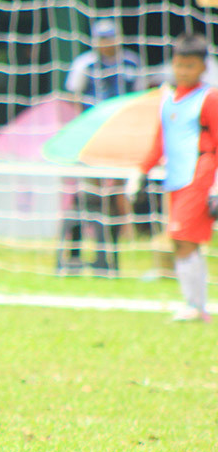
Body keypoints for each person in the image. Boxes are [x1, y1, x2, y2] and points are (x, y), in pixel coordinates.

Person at [136, 33, 218, 322]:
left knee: (182, 236)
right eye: (179, 65)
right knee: (182, 240)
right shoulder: (167, 98)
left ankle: (196, 306)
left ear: (203, 68)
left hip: (201, 176)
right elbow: (161, 141)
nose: (183, 71)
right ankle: (195, 305)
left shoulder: (209, 98)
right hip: (176, 178)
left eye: (190, 66)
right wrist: (140, 172)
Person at [59, 19, 144, 276]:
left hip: (121, 134)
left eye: (110, 38)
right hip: (92, 135)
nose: (107, 44)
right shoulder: (84, 64)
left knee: (116, 192)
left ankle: (109, 254)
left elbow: (138, 97)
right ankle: (76, 253)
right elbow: (72, 98)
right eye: (102, 38)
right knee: (89, 192)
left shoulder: (131, 62)